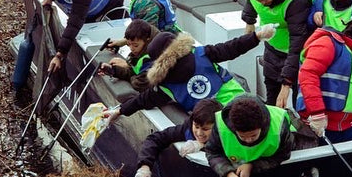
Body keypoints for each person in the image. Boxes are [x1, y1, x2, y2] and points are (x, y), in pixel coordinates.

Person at [109, 25, 276, 119]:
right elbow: (232, 47)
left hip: (217, 123)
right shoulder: (201, 53)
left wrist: (119, 110)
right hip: (244, 103)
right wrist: (257, 36)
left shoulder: (165, 87)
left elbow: (142, 100)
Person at [297, 17, 352, 143]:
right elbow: (308, 74)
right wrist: (317, 114)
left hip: (347, 127)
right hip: (321, 126)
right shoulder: (327, 43)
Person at [241, 0, 314, 109]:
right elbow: (251, 2)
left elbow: (297, 45)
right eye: (259, 1)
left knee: (298, 102)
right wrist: (249, 20)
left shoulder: (297, 0)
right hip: (272, 48)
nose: (263, 4)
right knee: (272, 100)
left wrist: (287, 83)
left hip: (297, 55)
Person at [205, 95, 296, 177]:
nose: (248, 140)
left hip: (272, 173)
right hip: (235, 175)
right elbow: (212, 153)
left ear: (261, 126)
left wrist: (252, 166)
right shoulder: (220, 126)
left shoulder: (279, 125)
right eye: (242, 136)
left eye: (253, 135)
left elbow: (283, 154)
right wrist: (228, 173)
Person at [132, 98, 223, 177]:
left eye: (205, 129)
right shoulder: (187, 128)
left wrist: (203, 145)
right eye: (196, 126)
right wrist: (144, 166)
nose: (199, 133)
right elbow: (155, 138)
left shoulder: (228, 137)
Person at [101, 19, 159, 90]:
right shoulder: (144, 43)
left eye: (135, 45)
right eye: (128, 44)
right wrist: (113, 70)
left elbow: (138, 83)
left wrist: (129, 66)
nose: (132, 49)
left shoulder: (153, 57)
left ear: (147, 39)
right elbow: (134, 73)